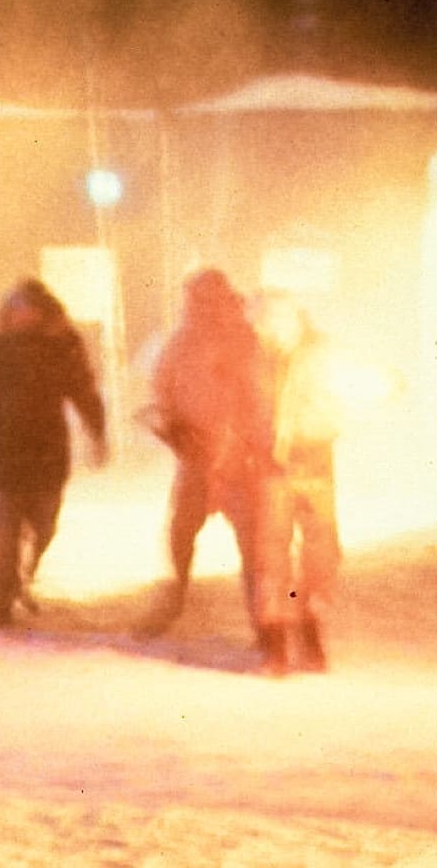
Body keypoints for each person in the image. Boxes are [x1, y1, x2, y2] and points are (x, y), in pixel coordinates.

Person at [0, 278, 107, 628]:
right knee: (3, 528)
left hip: (46, 452)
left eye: (30, 308)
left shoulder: (62, 344)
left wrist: (96, 431)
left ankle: (25, 570)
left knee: (44, 525)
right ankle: (2, 599)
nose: (23, 314)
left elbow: (83, 390)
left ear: (43, 311)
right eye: (17, 307)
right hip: (1, 451)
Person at [136, 269, 274, 650]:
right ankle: (172, 600)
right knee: (180, 532)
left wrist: (250, 440)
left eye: (205, 299)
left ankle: (265, 620)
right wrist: (172, 426)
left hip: (240, 460)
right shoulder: (181, 342)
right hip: (195, 457)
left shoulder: (245, 341)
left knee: (253, 542)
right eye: (195, 300)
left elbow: (261, 396)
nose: (198, 307)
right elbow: (162, 387)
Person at [252, 292, 345, 674]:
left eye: (273, 319)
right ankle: (276, 641)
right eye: (263, 321)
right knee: (272, 555)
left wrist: (309, 431)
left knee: (321, 554)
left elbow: (343, 401)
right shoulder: (256, 357)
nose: (266, 328)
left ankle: (309, 624)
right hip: (270, 469)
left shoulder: (321, 354)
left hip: (314, 464)